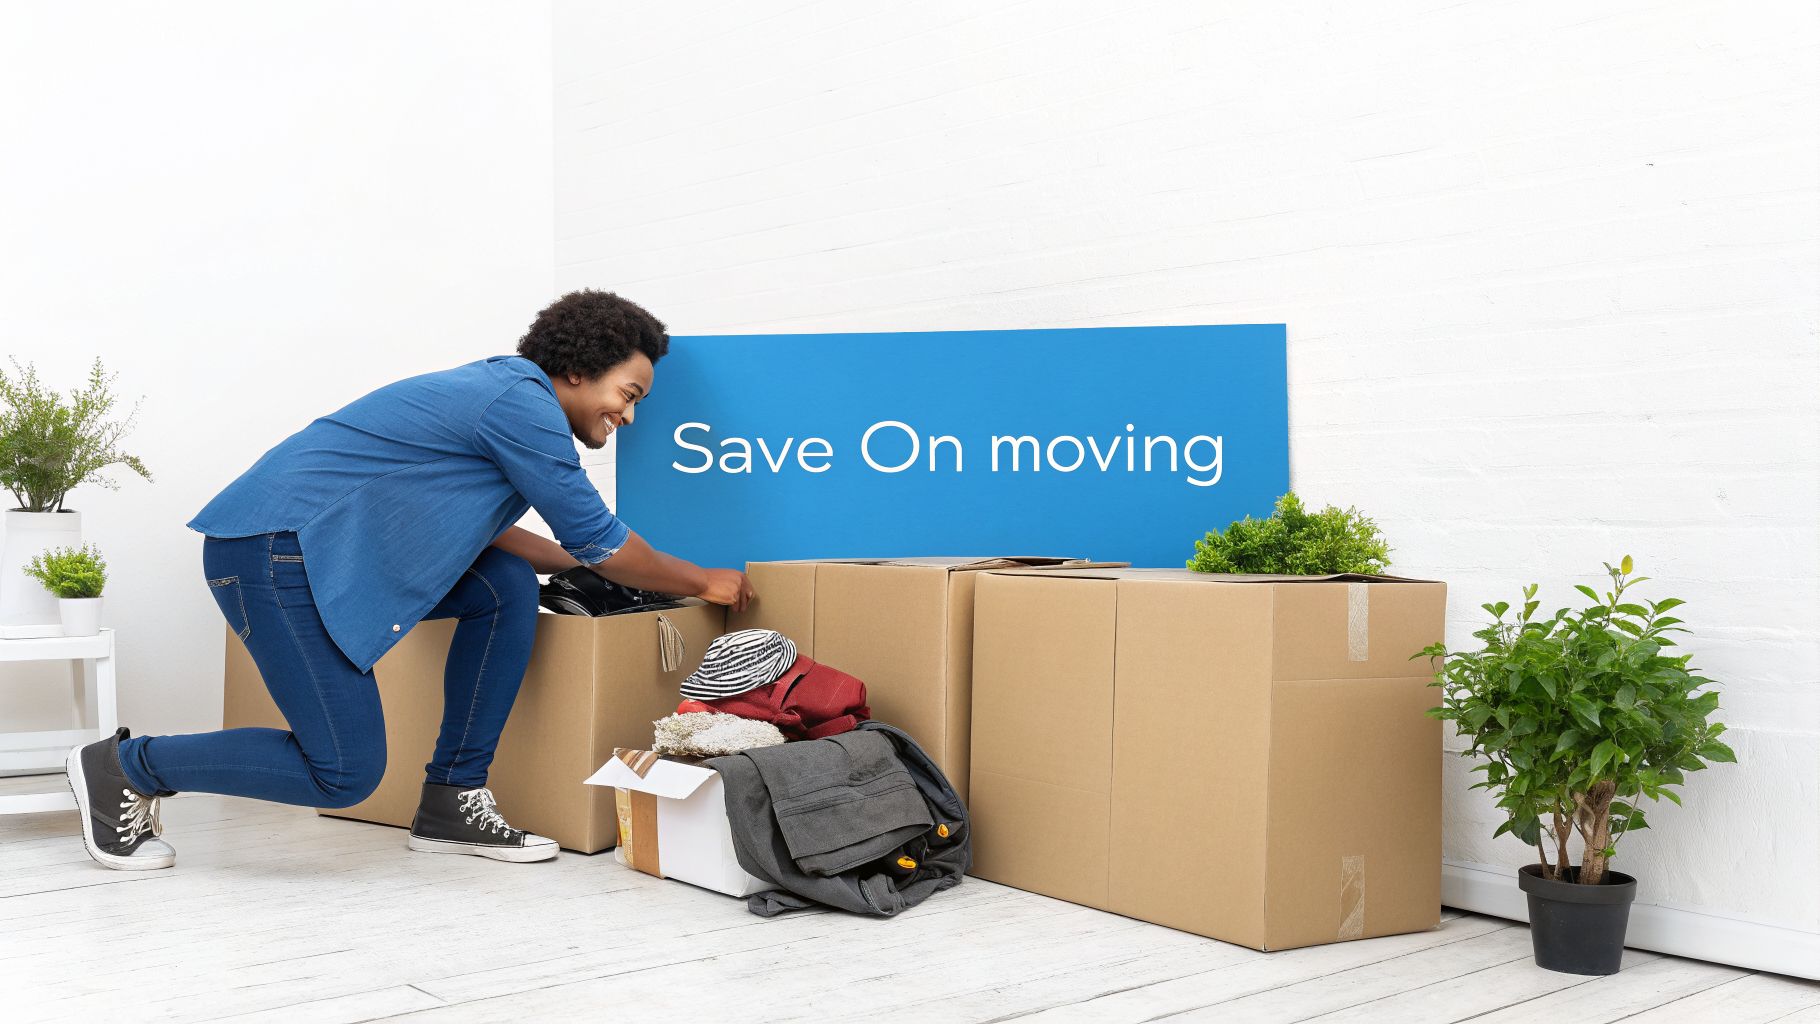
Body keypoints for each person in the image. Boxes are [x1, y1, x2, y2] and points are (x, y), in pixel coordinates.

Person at [64, 290, 753, 870]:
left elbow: (501, 537)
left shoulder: (501, 398)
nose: (629, 415)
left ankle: (453, 798)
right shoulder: (520, 404)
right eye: (628, 394)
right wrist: (704, 582)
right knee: (342, 773)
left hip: (308, 551)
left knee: (504, 582)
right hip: (275, 554)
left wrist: (576, 562)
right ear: (575, 370)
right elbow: (598, 538)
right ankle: (126, 768)